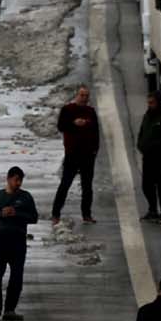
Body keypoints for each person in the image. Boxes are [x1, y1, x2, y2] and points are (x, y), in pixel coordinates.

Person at [0, 166, 38, 321]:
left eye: (20, 180)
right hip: (0, 240)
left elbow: (33, 217)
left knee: (16, 276)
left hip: (18, 240)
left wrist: (17, 214)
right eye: (16, 180)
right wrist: (1, 213)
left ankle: (10, 309)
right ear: (9, 178)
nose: (18, 183)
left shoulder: (25, 197)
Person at [51, 85, 102, 222]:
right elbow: (61, 126)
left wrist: (95, 150)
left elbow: (96, 131)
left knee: (87, 187)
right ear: (77, 95)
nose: (84, 98)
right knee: (65, 184)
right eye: (82, 95)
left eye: (86, 96)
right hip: (72, 153)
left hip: (87, 154)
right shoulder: (68, 110)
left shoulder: (90, 111)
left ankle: (86, 214)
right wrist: (74, 123)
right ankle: (56, 213)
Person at [135, 90, 161, 221]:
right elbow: (142, 132)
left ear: (158, 103)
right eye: (148, 103)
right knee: (146, 185)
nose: (150, 105)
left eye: (152, 103)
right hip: (148, 157)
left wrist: (156, 145)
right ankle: (152, 209)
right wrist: (141, 145)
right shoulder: (147, 116)